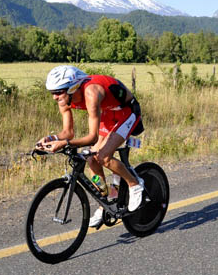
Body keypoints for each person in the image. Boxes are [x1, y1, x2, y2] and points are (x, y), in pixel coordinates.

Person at [37, 65, 145, 227]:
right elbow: (68, 132)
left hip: (127, 111)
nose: (55, 97)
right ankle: (104, 202)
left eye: (58, 92)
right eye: (52, 93)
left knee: (103, 157)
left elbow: (92, 137)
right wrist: (51, 139)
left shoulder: (91, 94)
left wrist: (63, 144)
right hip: (108, 112)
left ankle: (135, 184)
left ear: (72, 88)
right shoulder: (64, 100)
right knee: (91, 158)